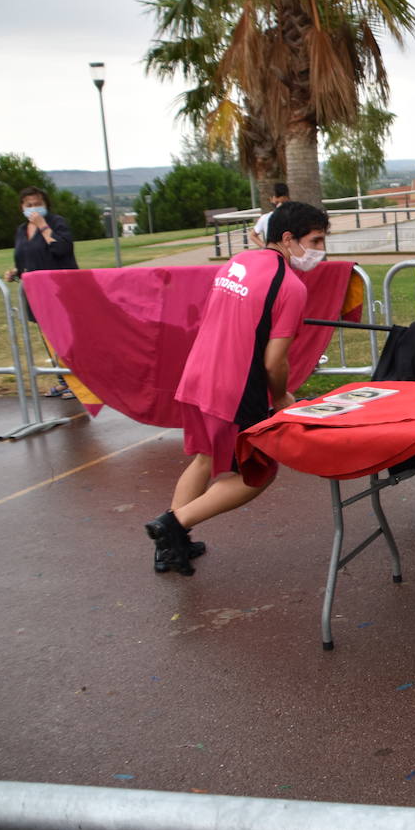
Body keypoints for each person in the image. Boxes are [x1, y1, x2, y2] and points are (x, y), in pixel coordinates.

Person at [143, 201, 330, 576]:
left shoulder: (239, 262)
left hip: (197, 375)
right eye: (316, 240)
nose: (320, 250)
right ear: (289, 238)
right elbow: (274, 360)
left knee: (205, 459)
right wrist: (279, 397)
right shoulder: (290, 286)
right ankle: (172, 526)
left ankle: (172, 546)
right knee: (255, 475)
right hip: (235, 387)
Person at [4, 186, 79, 398]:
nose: (33, 208)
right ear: (22, 207)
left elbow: (61, 249)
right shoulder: (21, 230)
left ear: (46, 205)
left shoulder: (57, 223)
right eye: (29, 205)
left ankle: (79, 383)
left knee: (65, 337)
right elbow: (25, 256)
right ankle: (64, 380)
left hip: (60, 290)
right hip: (35, 293)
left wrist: (43, 226)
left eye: (38, 203)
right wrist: (16, 273)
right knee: (49, 339)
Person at [248, 182, 290, 247]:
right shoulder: (293, 216)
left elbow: (252, 235)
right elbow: (252, 235)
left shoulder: (265, 218)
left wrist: (266, 247)